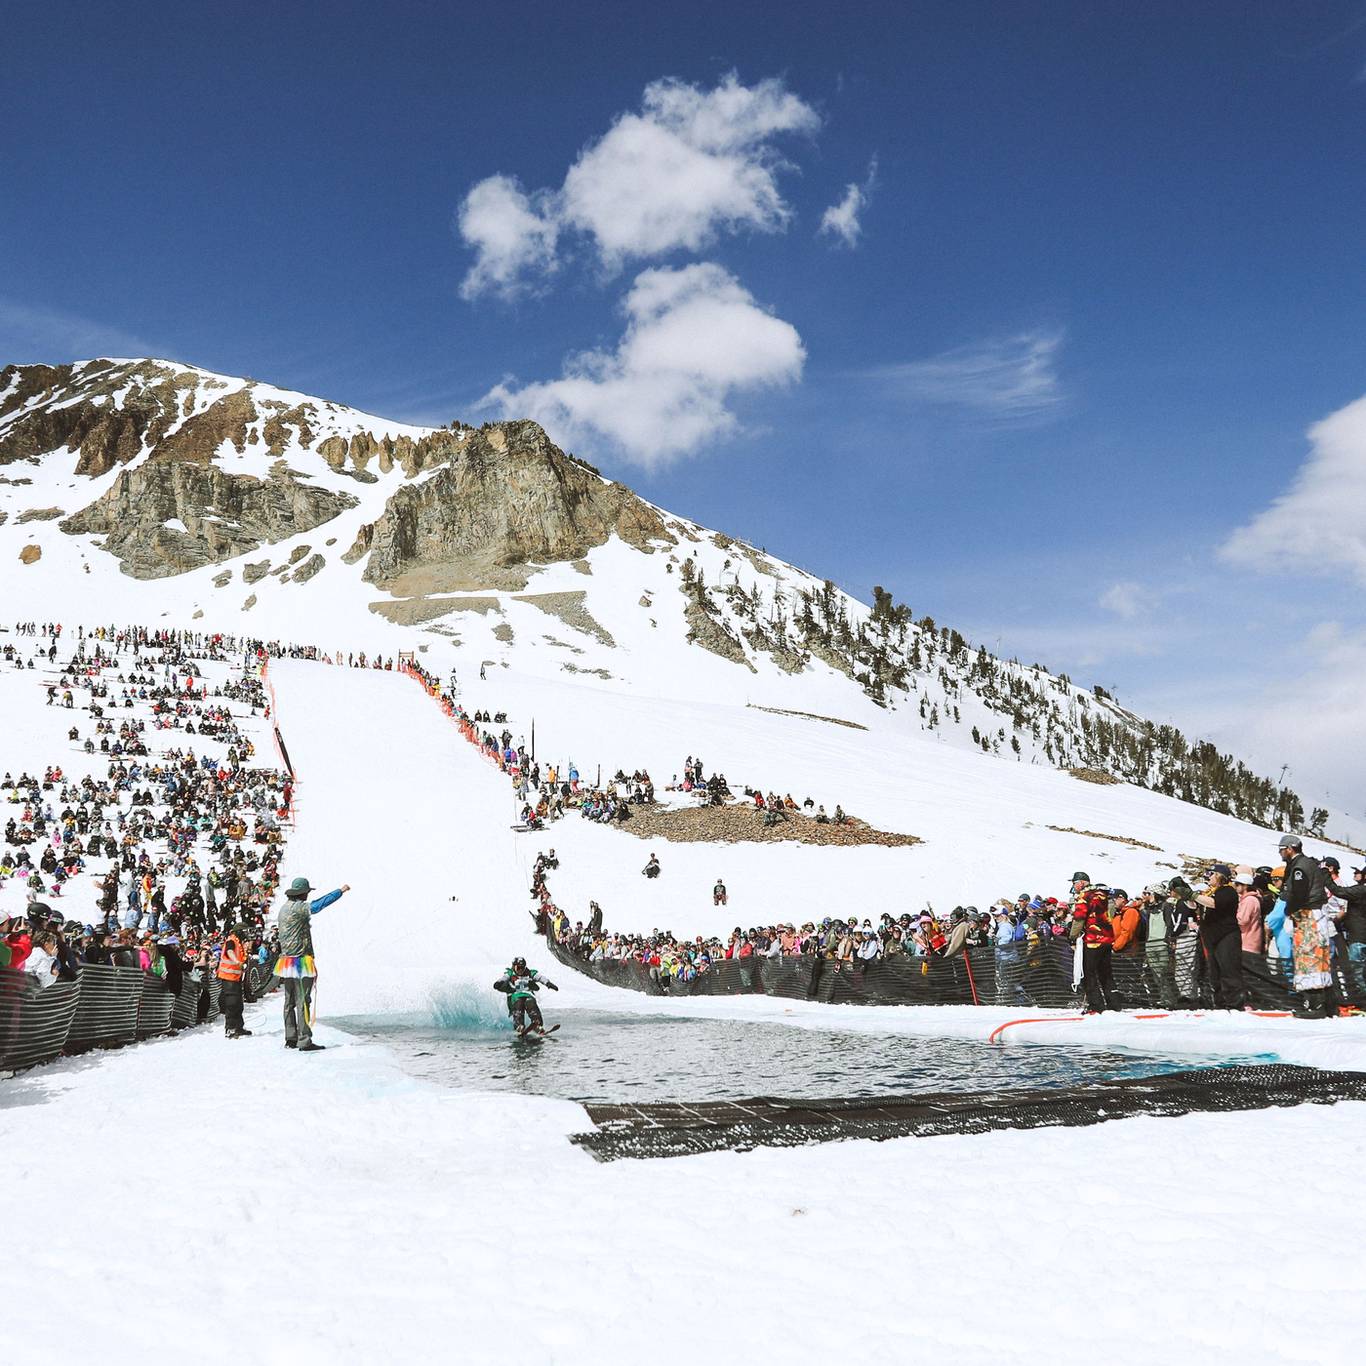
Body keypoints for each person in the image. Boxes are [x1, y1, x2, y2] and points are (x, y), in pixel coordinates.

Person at [274, 876, 350, 1051]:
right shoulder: (299, 908)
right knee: (302, 1001)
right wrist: (340, 891)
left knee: (289, 1001)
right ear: (302, 894)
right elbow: (318, 905)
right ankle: (304, 1040)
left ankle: (290, 1038)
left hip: (286, 962)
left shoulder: (284, 908)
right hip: (300, 961)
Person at [1278, 836, 1332, 1018]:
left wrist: (1288, 911)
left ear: (1290, 849)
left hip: (1309, 917)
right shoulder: (1305, 864)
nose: (1280, 853)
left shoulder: (1300, 867)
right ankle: (1322, 1005)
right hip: (1312, 916)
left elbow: (1300, 894)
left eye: (1281, 849)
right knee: (1314, 959)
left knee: (1310, 959)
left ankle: (1315, 1007)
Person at [1196, 866, 1245, 1009]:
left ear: (1220, 876)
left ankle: (1234, 1003)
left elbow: (1215, 904)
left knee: (1229, 970)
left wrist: (1194, 896)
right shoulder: (1210, 892)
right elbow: (1194, 906)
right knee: (1215, 973)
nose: (1208, 877)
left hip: (1227, 935)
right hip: (1212, 937)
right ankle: (1220, 1002)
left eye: (1211, 874)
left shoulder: (1227, 891)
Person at [1324, 864, 1366, 1000]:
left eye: (1358, 872)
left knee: (1357, 971)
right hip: (1358, 935)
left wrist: (1325, 875)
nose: (1355, 874)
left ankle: (1362, 999)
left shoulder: (1361, 890)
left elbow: (1339, 891)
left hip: (1358, 937)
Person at [494, 955, 558, 1034]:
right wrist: (499, 982)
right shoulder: (510, 974)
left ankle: (537, 1024)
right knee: (519, 1003)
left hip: (527, 994)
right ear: (514, 967)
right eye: (518, 968)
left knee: (531, 1002)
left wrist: (548, 983)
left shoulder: (529, 973)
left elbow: (539, 977)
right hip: (515, 996)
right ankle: (519, 1025)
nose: (520, 970)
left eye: (522, 968)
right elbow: (504, 978)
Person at [217, 922, 251, 1039]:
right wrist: (237, 961)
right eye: (245, 931)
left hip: (235, 978)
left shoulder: (239, 943)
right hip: (228, 978)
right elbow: (229, 952)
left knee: (238, 1004)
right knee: (232, 1004)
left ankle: (239, 1027)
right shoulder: (231, 941)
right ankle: (230, 1028)